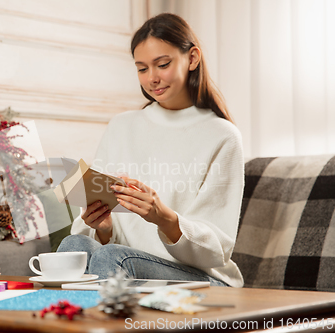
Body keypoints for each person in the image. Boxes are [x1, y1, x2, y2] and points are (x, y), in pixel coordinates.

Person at [57, 13, 244, 287]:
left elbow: (218, 249)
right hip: (125, 265)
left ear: (192, 58)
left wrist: (164, 218)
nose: (152, 78)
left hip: (203, 279)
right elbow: (104, 241)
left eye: (162, 64)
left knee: (114, 258)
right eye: (142, 69)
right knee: (75, 243)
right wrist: (105, 229)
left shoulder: (223, 136)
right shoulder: (121, 126)